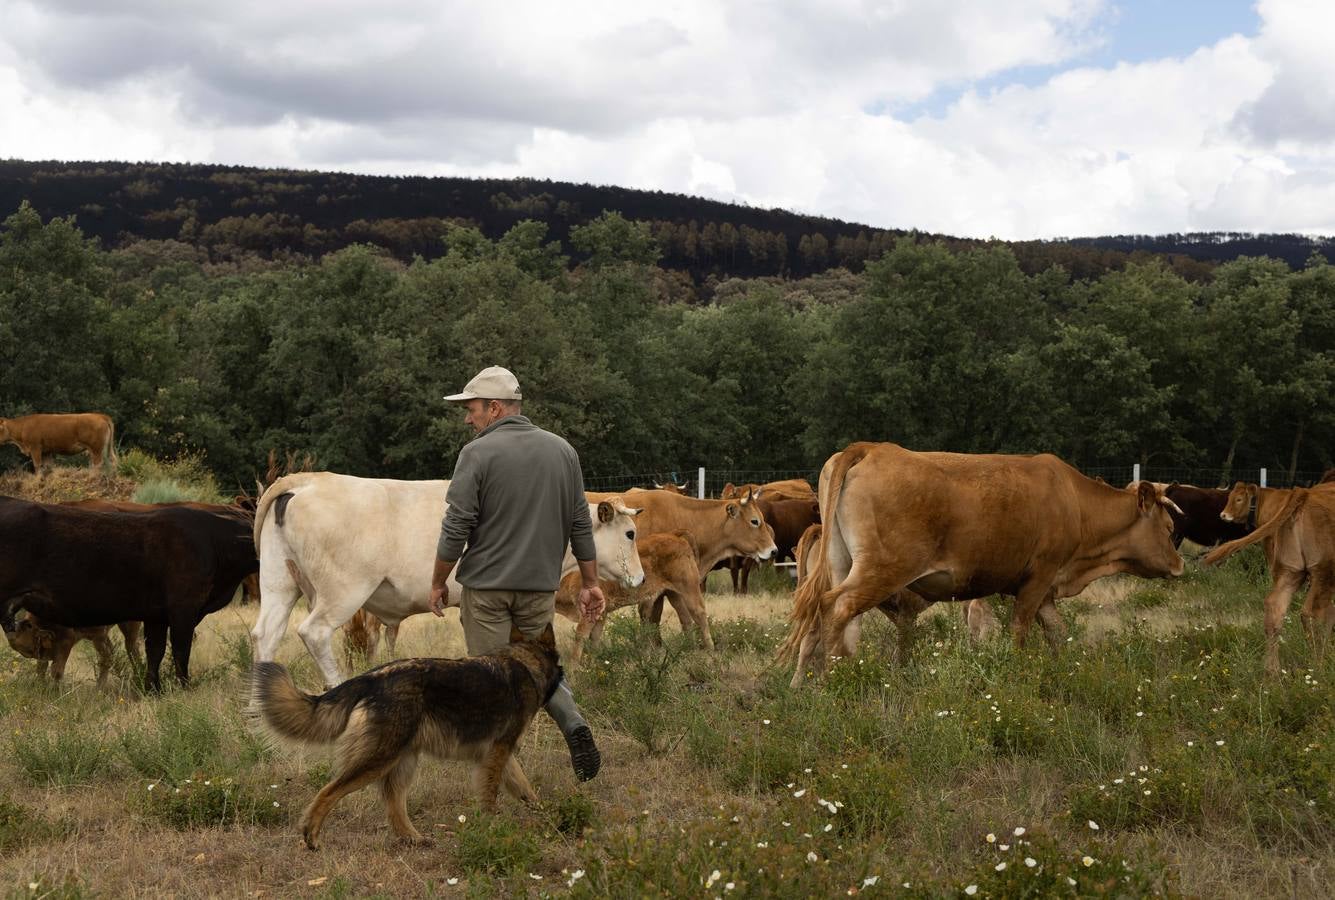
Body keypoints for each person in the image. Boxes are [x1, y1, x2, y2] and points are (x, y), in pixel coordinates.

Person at [428, 365, 605, 781]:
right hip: (539, 587)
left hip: (487, 590)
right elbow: (581, 521)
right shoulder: (563, 451)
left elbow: (457, 525)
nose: (467, 418)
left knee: (491, 681)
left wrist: (438, 580)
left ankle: (499, 777)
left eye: (471, 409)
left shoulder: (476, 454)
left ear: (493, 407)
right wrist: (592, 582)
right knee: (539, 669)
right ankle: (574, 724)